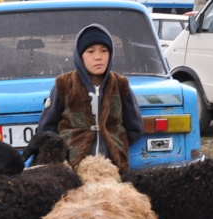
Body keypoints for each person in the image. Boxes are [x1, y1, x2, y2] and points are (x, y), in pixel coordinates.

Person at [37, 23, 143, 172]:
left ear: (111, 54)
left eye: (104, 51)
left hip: (112, 169)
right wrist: (68, 150)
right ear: (80, 56)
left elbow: (135, 128)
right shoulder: (64, 85)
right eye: (90, 51)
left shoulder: (120, 85)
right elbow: (46, 128)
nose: (98, 57)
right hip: (73, 169)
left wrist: (117, 145)